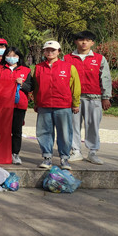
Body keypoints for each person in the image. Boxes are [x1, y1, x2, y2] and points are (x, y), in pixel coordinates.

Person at [63, 31, 112, 165]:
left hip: (94, 98)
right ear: (76, 41)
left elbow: (105, 78)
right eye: (81, 40)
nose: (84, 42)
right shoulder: (67, 58)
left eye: (87, 40)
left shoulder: (99, 59)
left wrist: (106, 97)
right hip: (74, 99)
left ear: (92, 43)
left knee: (93, 126)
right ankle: (75, 151)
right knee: (73, 126)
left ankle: (92, 152)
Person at [32, 40, 81, 170]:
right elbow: (36, 87)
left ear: (59, 51)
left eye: (53, 50)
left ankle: (64, 158)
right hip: (44, 105)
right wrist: (36, 102)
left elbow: (75, 87)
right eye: (47, 50)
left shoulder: (69, 67)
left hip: (63, 105)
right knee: (44, 132)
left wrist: (75, 103)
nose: (50, 52)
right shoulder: (38, 68)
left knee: (64, 133)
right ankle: (47, 157)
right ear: (44, 52)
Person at [0, 47, 33, 165]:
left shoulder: (26, 70)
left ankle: (15, 153)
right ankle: (0, 152)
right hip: (2, 105)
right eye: (9, 55)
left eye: (14, 55)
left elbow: (30, 87)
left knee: (16, 131)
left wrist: (22, 84)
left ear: (19, 57)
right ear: (5, 57)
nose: (11, 58)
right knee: (1, 130)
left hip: (19, 105)